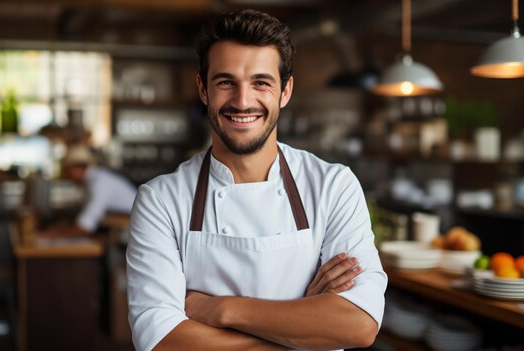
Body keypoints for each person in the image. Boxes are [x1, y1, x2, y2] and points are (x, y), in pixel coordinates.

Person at [126, 9, 387, 351]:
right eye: (225, 82)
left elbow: (359, 324)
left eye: (261, 82)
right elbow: (158, 339)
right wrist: (304, 332)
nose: (243, 101)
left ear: (286, 91)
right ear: (203, 89)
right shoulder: (161, 200)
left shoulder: (333, 186)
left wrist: (219, 309)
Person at [43, 144, 138, 237]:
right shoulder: (92, 180)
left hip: (128, 236)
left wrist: (54, 234)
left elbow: (85, 227)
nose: (67, 177)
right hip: (122, 233)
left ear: (78, 167)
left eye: (67, 171)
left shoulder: (99, 182)